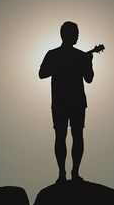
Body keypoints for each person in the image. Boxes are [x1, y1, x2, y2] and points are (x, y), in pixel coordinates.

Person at [39, 21, 94, 183]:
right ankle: (62, 174)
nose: (77, 36)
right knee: (61, 136)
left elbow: (89, 78)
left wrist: (89, 62)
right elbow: (42, 74)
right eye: (75, 33)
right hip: (60, 101)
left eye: (78, 33)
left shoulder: (81, 56)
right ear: (65, 35)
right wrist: (59, 66)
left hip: (77, 101)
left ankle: (75, 173)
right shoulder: (53, 54)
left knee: (77, 135)